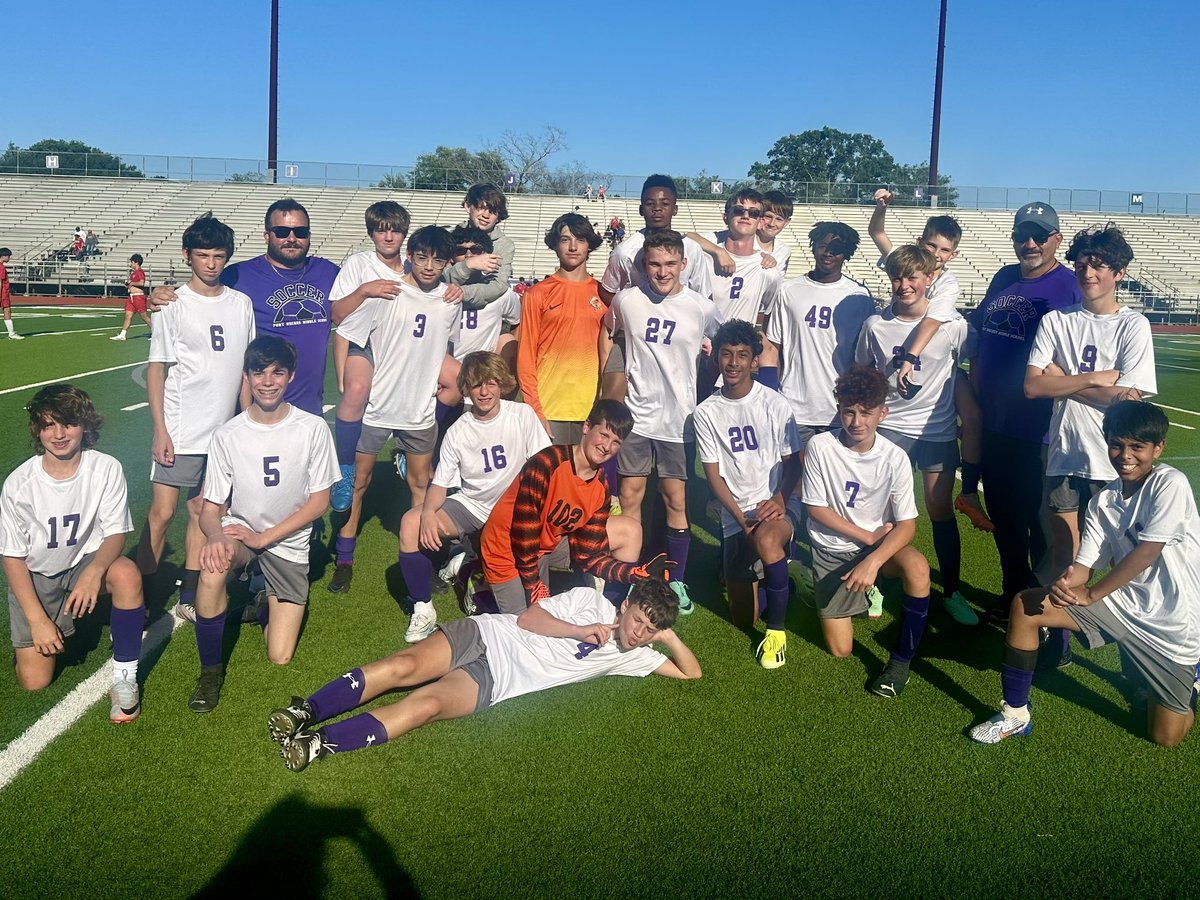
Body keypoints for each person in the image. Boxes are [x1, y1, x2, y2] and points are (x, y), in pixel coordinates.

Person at [267, 577, 700, 771]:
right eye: (638, 621)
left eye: (650, 629)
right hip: (488, 634)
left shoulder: (635, 654)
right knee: (403, 667)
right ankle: (306, 710)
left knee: (426, 706)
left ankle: (320, 744)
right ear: (625, 606)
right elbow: (529, 619)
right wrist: (579, 629)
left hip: (500, 680)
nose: (639, 633)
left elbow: (691, 675)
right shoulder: (589, 600)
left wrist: (669, 638)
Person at [969, 401, 1199, 747]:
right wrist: (1064, 585)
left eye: (1138, 447)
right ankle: (1015, 713)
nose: (1125, 455)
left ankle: (1191, 680)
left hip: (1173, 625)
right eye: (1117, 444)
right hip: (1121, 606)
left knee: (1166, 738)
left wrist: (1091, 594)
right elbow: (1083, 565)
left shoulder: (1170, 483)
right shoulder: (1103, 501)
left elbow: (1147, 551)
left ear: (1158, 448)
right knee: (1027, 605)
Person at [187, 336, 339, 713]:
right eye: (259, 372)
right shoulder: (228, 434)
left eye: (277, 373)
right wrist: (217, 535)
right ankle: (209, 672)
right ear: (247, 377)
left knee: (280, 656)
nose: (267, 381)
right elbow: (211, 507)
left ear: (289, 377)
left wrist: (265, 537)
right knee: (212, 567)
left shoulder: (312, 428)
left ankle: (263, 601)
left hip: (286, 543)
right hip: (241, 534)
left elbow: (319, 502)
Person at [1, 385, 146, 722]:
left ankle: (125, 678)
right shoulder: (19, 484)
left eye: (68, 423)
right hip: (39, 577)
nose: (59, 434)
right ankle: (50, 627)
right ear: (38, 430)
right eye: (49, 425)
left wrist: (95, 572)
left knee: (126, 574)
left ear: (85, 425)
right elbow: (12, 558)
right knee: (35, 682)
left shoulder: (105, 468)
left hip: (84, 564)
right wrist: (37, 621)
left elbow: (115, 532)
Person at [330, 226, 461, 594]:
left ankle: (422, 561)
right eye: (422, 257)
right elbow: (345, 329)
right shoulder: (387, 294)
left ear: (448, 261)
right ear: (411, 256)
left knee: (422, 486)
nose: (430, 266)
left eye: (438, 259)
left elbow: (443, 348)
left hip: (419, 410)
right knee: (358, 483)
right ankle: (344, 558)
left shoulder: (451, 300)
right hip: (378, 407)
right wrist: (346, 380)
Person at [139, 213, 255, 621]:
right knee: (162, 514)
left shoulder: (241, 305)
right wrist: (160, 430)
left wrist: (246, 424)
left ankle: (188, 593)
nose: (210, 263)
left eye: (218, 256)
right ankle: (145, 594)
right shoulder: (173, 304)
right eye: (202, 255)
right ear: (187, 256)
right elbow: (158, 368)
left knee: (200, 511)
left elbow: (245, 372)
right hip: (181, 430)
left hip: (222, 434)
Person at [968, 203, 1082, 619]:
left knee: (1043, 528)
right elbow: (982, 335)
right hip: (995, 422)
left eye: (1039, 235)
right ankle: (1013, 592)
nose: (1029, 243)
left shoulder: (1069, 286)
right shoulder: (1002, 276)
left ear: (1057, 239)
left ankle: (1043, 610)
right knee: (1004, 517)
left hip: (1041, 430)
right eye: (1022, 235)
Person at [1025, 224, 1156, 584]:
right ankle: (1053, 635)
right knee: (1064, 554)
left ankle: (1121, 632)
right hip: (1064, 454)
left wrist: (1061, 380)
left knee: (1119, 558)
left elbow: (1126, 401)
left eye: (1098, 265)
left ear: (1119, 272)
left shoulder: (1134, 325)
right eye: (1082, 264)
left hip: (1114, 461)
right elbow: (1033, 387)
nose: (1088, 273)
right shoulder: (1056, 320)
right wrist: (1094, 378)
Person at [855, 245, 976, 626]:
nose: (904, 285)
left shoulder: (953, 326)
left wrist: (968, 413)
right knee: (882, 511)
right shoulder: (876, 325)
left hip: (937, 430)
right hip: (891, 430)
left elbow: (968, 369)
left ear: (928, 279)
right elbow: (864, 374)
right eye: (897, 277)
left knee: (939, 511)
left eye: (912, 278)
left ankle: (953, 591)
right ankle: (878, 580)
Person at [605, 230, 722, 614]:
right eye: (654, 264)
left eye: (670, 264)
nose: (662, 271)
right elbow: (610, 333)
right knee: (631, 499)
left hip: (679, 421)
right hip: (637, 419)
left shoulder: (700, 307)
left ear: (683, 265)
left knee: (676, 500)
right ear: (643, 265)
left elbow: (720, 344)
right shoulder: (627, 300)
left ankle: (678, 580)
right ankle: (628, 575)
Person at [396, 352, 549, 642]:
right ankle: (423, 609)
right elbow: (440, 485)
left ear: (501, 384)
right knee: (410, 524)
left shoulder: (521, 414)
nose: (484, 391)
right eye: (477, 384)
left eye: (490, 383)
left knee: (525, 605)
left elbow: (544, 467)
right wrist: (428, 513)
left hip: (517, 511)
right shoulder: (458, 431)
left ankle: (474, 572)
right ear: (466, 387)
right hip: (474, 506)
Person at [801, 365, 932, 698]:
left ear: (882, 413)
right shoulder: (820, 446)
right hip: (834, 549)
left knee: (917, 568)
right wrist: (868, 538)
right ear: (838, 410)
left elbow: (907, 525)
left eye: (865, 413)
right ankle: (817, 586)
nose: (856, 422)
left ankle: (900, 664)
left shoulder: (895, 457)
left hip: (875, 550)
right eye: (848, 412)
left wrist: (873, 560)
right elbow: (816, 508)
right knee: (840, 649)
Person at [151, 199, 341, 417]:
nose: (291, 238)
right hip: (255, 408)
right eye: (281, 231)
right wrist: (162, 294)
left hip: (309, 410)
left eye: (300, 231)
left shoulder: (328, 272)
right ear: (267, 236)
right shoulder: (238, 275)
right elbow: (201, 290)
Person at [478, 399, 671, 613]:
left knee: (631, 531)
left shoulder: (600, 488)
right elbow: (524, 534)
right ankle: (481, 593)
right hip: (505, 549)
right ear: (587, 427)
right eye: (604, 435)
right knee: (524, 628)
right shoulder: (548, 464)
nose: (607, 447)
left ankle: (608, 611)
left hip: (542, 548)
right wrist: (534, 584)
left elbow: (588, 556)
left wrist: (634, 572)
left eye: (616, 442)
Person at [868, 188, 989, 531]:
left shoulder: (947, 283)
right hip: (912, 362)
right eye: (931, 246)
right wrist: (881, 208)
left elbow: (934, 322)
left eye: (944, 250)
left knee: (975, 415)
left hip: (938, 361)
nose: (936, 255)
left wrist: (910, 356)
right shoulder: (907, 265)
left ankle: (969, 491)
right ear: (920, 241)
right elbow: (877, 232)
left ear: (954, 254)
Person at [694, 319, 801, 668]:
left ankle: (776, 634)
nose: (734, 362)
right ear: (717, 360)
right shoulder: (706, 412)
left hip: (774, 509)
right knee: (742, 618)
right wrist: (741, 520)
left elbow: (794, 465)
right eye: (727, 354)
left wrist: (779, 501)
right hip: (737, 516)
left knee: (767, 542)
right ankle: (780, 583)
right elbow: (713, 476)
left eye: (742, 355)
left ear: (755, 360)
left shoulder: (775, 403)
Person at [766, 222, 875, 457]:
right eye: (823, 246)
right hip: (795, 405)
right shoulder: (789, 290)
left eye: (836, 248)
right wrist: (771, 395)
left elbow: (865, 358)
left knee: (834, 484)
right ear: (813, 247)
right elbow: (773, 346)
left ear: (846, 253)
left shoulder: (859, 296)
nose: (828, 253)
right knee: (791, 482)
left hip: (839, 408)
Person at [517, 214, 608, 444]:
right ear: (555, 246)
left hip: (591, 411)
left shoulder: (603, 294)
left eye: (580, 239)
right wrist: (535, 409)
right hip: (550, 408)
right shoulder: (537, 293)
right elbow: (526, 356)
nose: (574, 246)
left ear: (590, 245)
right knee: (549, 479)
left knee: (584, 479)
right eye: (566, 239)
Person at [448, 226, 522, 375]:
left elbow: (517, 323)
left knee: (508, 341)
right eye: (461, 251)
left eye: (475, 250)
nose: (469, 256)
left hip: (483, 370)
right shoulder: (439, 289)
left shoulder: (501, 293)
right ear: (451, 257)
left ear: (486, 254)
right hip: (446, 368)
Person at [111, 253, 152, 341]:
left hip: (138, 297)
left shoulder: (140, 272)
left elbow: (142, 283)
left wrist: (132, 283)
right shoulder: (133, 273)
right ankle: (123, 334)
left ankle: (157, 333)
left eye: (132, 262)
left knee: (144, 316)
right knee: (128, 316)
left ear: (136, 263)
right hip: (131, 297)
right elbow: (132, 285)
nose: (131, 264)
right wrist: (128, 285)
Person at [0, 247, 20, 340]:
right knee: (7, 311)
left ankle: (11, 333)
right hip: (3, 293)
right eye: (8, 256)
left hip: (4, 292)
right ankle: (11, 334)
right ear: (3, 256)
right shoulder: (1, 267)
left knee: (7, 311)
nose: (9, 258)